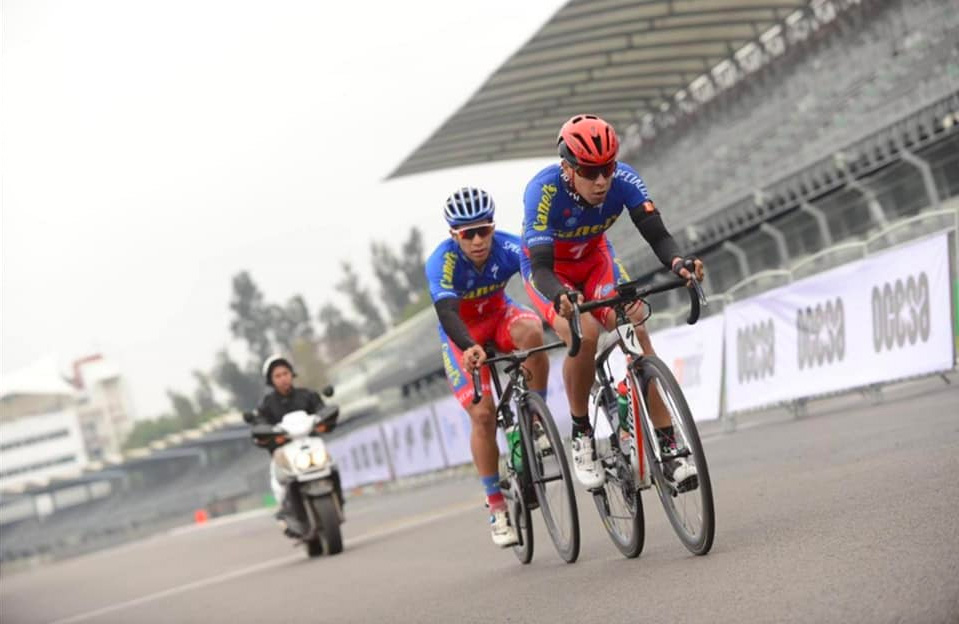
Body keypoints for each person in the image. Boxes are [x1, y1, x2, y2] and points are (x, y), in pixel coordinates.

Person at [521, 114, 705, 492]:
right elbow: (540, 266)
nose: (602, 180)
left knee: (635, 324)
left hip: (595, 261)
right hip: (549, 273)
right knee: (584, 333)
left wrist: (679, 263)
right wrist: (560, 296)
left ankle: (670, 449)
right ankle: (581, 434)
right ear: (568, 169)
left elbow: (657, 234)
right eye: (590, 171)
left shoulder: (625, 180)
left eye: (607, 168)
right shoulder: (543, 191)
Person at [425, 187, 549, 548]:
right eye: (468, 234)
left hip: (498, 316)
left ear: (493, 227)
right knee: (483, 414)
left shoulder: (510, 247)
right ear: (454, 235)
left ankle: (535, 418)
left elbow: (537, 281)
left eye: (484, 230)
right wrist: (468, 346)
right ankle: (496, 505)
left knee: (533, 331)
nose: (478, 240)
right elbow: (447, 311)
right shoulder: (441, 261)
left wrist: (561, 317)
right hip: (462, 333)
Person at [252, 354, 338, 537]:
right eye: (277, 375)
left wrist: (325, 419)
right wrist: (269, 437)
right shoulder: (266, 405)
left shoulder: (308, 396)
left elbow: (322, 411)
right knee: (286, 479)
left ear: (292, 374)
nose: (283, 378)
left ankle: (339, 501)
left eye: (285, 373)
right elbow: (259, 425)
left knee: (333, 467)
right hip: (284, 450)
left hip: (310, 444)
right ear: (271, 380)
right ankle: (292, 516)